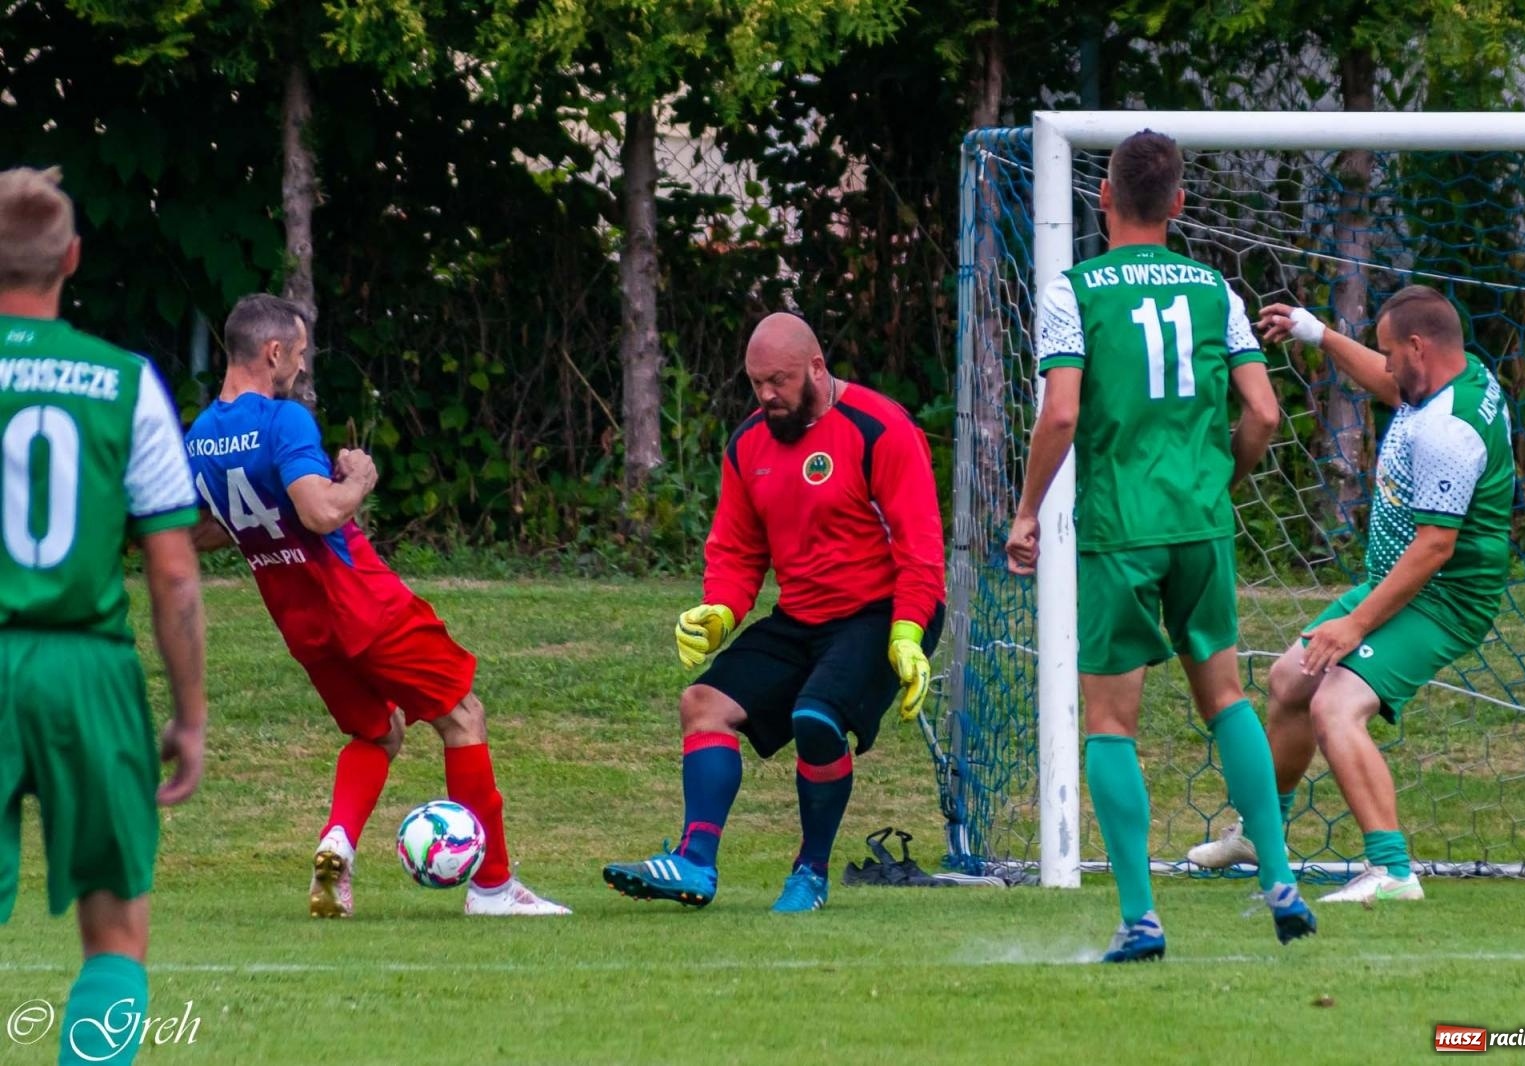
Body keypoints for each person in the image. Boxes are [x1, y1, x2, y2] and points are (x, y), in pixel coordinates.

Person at [1004, 130, 1314, 962]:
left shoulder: (1074, 291)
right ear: (1178, 203)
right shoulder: (1216, 290)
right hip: (1200, 525)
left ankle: (1142, 917)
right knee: (1227, 699)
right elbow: (1264, 413)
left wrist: (1027, 512)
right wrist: (1219, 481)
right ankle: (1278, 875)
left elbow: (1062, 413)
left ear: (1104, 197)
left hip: (1120, 530)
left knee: (1111, 722)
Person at [185, 293, 566, 918]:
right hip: (362, 602)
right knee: (463, 717)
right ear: (273, 352)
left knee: (378, 730)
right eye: (299, 354)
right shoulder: (284, 420)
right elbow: (319, 512)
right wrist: (360, 477)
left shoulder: (200, 438)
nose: (302, 367)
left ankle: (337, 844)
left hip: (302, 625)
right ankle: (493, 888)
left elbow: (199, 531)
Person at [602, 312, 945, 913]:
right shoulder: (748, 445)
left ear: (816, 368)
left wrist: (908, 632)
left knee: (815, 718)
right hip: (802, 616)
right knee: (702, 705)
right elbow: (737, 551)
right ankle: (693, 862)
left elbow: (920, 550)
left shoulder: (880, 428)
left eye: (779, 381)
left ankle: (810, 873)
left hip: (881, 613)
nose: (766, 395)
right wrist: (719, 610)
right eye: (756, 382)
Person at [1187, 286, 1513, 904]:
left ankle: (1392, 872)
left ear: (1418, 346)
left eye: (1389, 352)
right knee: (1290, 680)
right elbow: (1394, 385)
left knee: (1334, 704)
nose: (1384, 364)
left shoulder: (1450, 430)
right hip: (1404, 582)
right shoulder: (1453, 374)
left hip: (1444, 598)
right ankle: (1260, 835)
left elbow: (1435, 547)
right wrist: (1318, 333)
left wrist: (1355, 624)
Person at [0, 165, 208, 1066]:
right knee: (117, 936)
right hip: (88, 669)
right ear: (72, 258)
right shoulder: (126, 383)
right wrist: (190, 716)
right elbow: (175, 574)